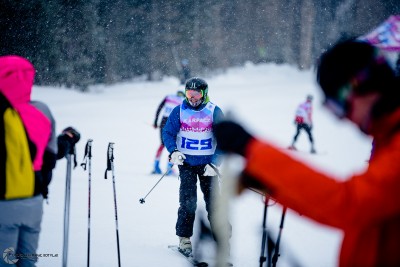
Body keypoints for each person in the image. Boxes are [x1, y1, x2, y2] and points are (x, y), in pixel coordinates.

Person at [214, 39, 400, 267]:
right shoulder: (386, 139)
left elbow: (350, 205)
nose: (345, 120)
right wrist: (272, 184)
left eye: (339, 107)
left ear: (364, 85)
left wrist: (250, 146)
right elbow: (348, 214)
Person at [0, 55, 80, 267]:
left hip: (4, 203)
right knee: (27, 260)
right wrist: (67, 139)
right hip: (33, 200)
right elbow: (51, 154)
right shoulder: (40, 110)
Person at [162, 77, 224, 255]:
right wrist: (173, 151)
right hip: (186, 163)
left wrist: (215, 162)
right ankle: (184, 239)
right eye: (189, 94)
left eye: (197, 94)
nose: (192, 98)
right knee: (188, 202)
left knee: (214, 203)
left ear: (204, 94)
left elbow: (225, 139)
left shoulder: (214, 111)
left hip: (208, 165)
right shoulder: (179, 110)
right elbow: (168, 132)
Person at [152, 90, 185, 175]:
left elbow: (159, 108)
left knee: (162, 143)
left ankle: (156, 166)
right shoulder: (183, 100)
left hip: (163, 121)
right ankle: (169, 168)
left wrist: (155, 122)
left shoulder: (169, 97)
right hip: (173, 123)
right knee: (172, 145)